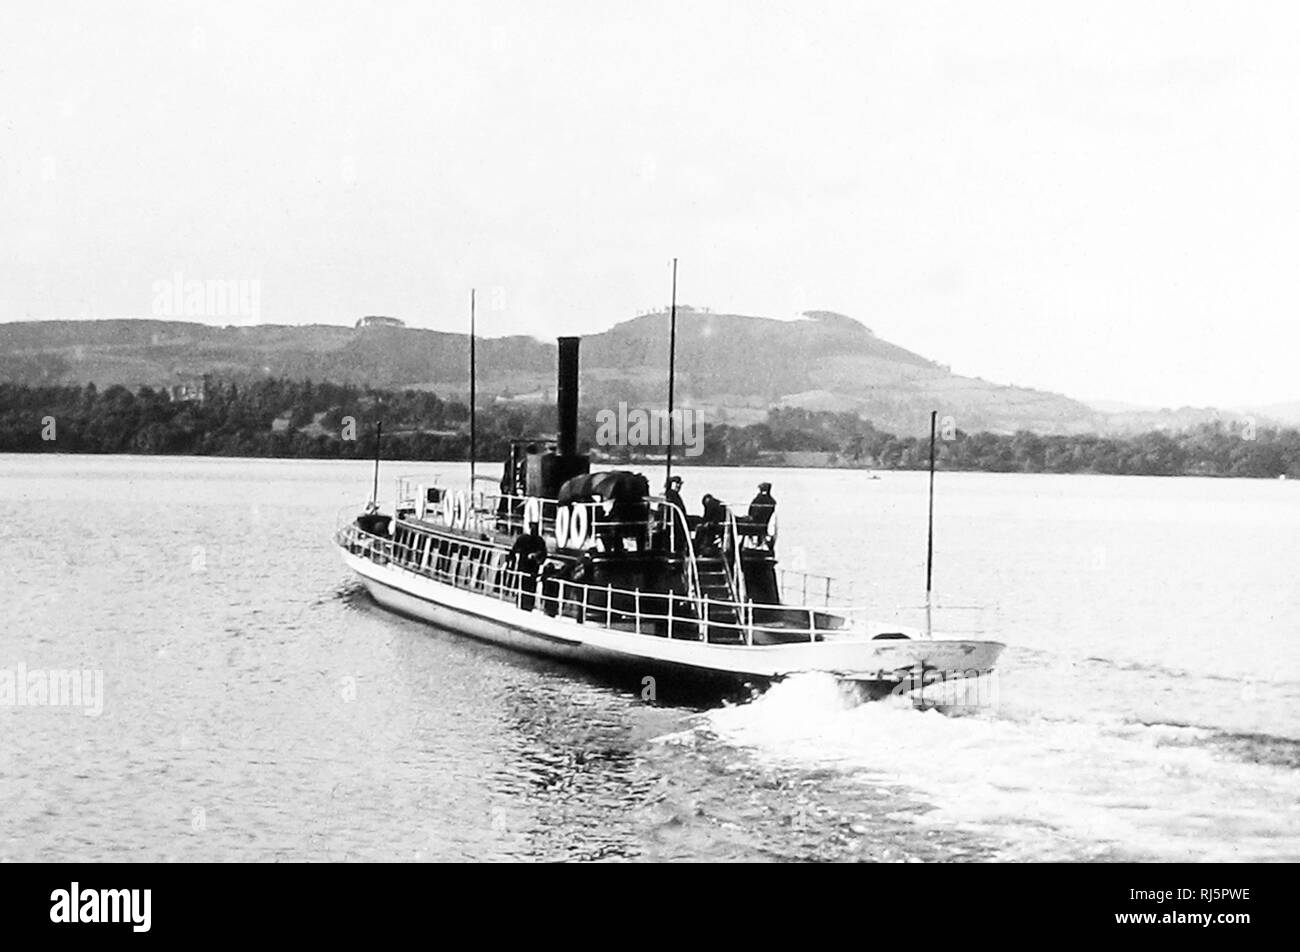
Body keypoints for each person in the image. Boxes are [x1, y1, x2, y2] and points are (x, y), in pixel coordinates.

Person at [508, 522, 549, 611]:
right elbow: (513, 551)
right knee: (527, 586)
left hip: (528, 567)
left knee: (526, 585)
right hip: (529, 567)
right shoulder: (537, 540)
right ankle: (525, 604)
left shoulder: (525, 539)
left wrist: (509, 562)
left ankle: (524, 604)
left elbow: (512, 551)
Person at [748, 482, 777, 551]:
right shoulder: (771, 501)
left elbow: (751, 510)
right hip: (763, 523)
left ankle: (758, 543)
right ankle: (760, 543)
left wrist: (751, 517)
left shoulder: (759, 499)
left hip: (756, 521)